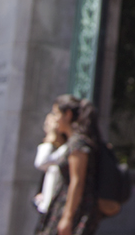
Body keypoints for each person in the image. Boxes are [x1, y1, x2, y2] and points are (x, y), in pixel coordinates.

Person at [35, 95, 100, 235]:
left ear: (68, 115)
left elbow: (77, 181)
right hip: (62, 206)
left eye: (56, 113)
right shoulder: (71, 143)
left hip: (76, 211)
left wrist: (67, 217)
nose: (54, 118)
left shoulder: (78, 144)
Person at [34, 109, 72, 218]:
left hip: (59, 208)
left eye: (49, 124)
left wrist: (51, 136)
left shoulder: (68, 148)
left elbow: (41, 161)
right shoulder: (55, 149)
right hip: (48, 208)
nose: (46, 127)